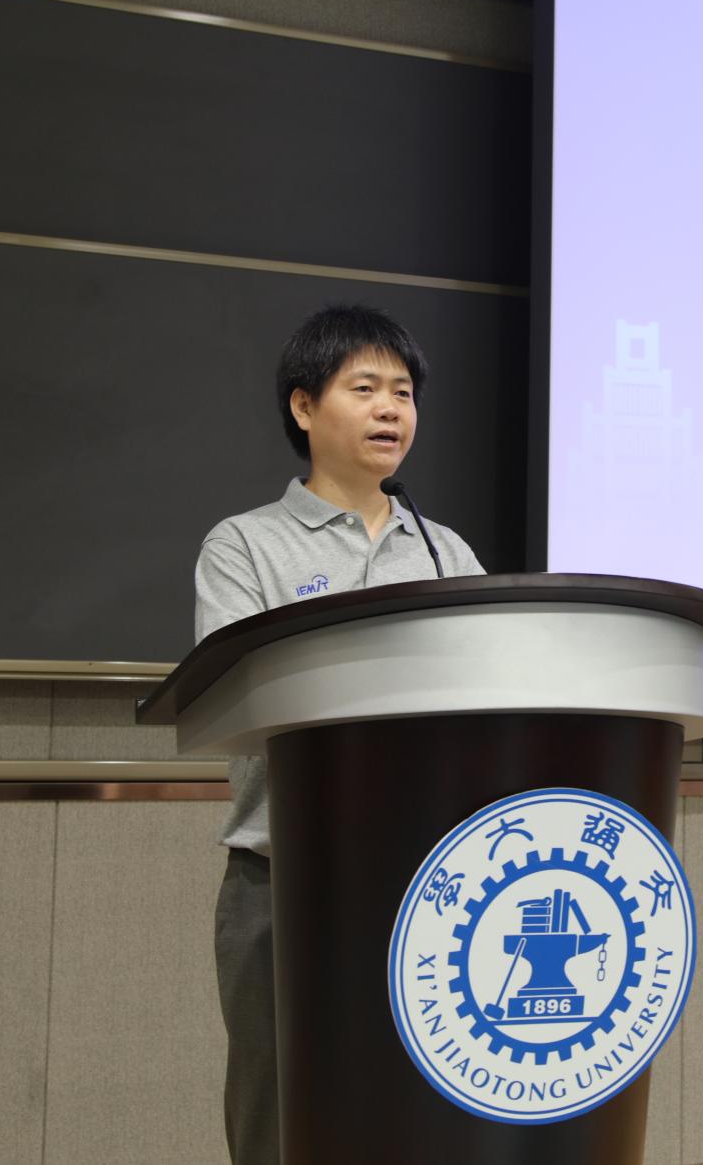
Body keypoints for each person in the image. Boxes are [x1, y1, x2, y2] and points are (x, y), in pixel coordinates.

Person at [195, 303, 486, 1165]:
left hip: (427, 878)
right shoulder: (244, 545)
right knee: (277, 1104)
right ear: (304, 405)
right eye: (365, 388)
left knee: (413, 1110)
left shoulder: (447, 553)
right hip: (283, 874)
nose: (391, 408)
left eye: (404, 391)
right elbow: (240, 702)